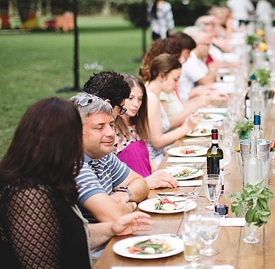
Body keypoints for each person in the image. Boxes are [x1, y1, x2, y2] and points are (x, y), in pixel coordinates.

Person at [0, 97, 154, 269]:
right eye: (75, 133)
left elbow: (69, 235)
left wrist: (112, 228)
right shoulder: (28, 194)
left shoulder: (53, 175)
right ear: (56, 139)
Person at [70, 93, 150, 222]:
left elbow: (141, 184)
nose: (110, 133)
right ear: (76, 131)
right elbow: (113, 215)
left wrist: (123, 194)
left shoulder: (103, 155)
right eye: (99, 127)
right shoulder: (75, 164)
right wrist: (131, 205)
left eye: (111, 125)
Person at [115, 75, 179, 189]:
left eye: (140, 99)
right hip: (135, 191)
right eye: (131, 98)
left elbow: (147, 162)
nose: (136, 104)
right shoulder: (113, 132)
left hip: (152, 185)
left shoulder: (137, 126)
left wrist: (157, 169)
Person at [146, 54, 200, 165]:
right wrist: (188, 127)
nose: (178, 84)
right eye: (175, 79)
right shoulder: (151, 99)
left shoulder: (155, 96)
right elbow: (157, 142)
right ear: (161, 76)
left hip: (161, 157)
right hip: (154, 163)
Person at [178, 29, 218, 102]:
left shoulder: (198, 58)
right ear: (198, 45)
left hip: (191, 99)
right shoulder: (189, 60)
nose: (210, 48)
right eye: (207, 45)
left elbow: (212, 79)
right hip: (188, 100)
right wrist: (212, 69)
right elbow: (207, 81)